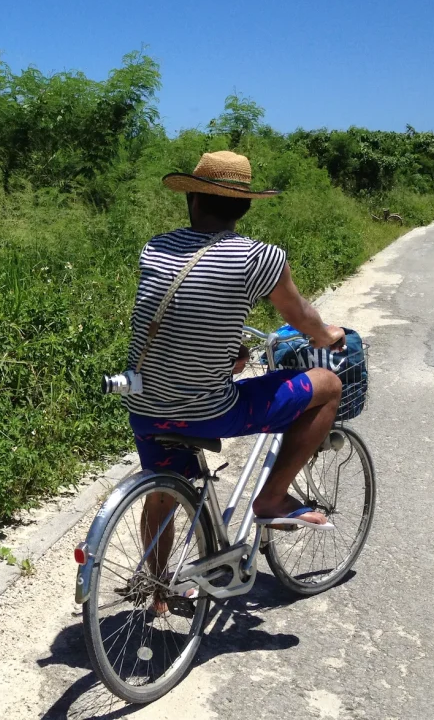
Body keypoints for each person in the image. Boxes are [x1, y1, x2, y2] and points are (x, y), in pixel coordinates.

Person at [124, 151, 346, 608]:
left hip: (143, 404)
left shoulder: (155, 248)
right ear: (245, 206)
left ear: (192, 199)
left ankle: (159, 590)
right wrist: (327, 335)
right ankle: (273, 497)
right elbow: (299, 315)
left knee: (163, 485)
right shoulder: (259, 257)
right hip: (210, 411)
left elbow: (180, 318)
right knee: (327, 385)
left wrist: (229, 355)